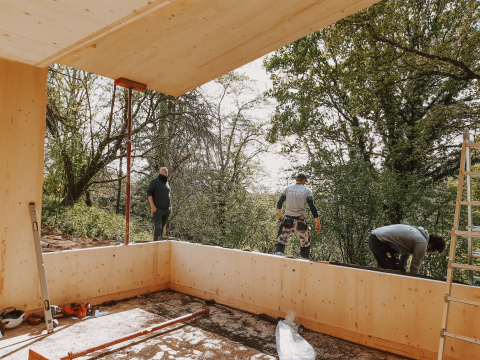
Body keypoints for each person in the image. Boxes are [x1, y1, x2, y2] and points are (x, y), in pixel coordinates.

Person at [275, 173, 321, 260]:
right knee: (305, 245)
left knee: (280, 242)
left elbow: (279, 203)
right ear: (303, 180)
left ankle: (278, 257)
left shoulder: (287, 189)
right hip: (301, 221)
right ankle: (304, 261)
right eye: (305, 181)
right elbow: (312, 207)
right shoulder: (307, 191)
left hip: (287, 219)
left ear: (296, 180)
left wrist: (280, 215)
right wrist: (317, 222)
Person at [368, 224, 445, 274]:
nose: (430, 252)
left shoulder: (417, 237)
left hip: (376, 238)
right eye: (432, 251)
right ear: (431, 245)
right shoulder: (422, 243)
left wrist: (404, 273)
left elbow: (404, 258)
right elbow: (414, 266)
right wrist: (414, 283)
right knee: (395, 272)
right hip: (380, 240)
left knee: (388, 270)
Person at [147, 167, 171, 241]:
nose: (165, 171)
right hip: (158, 209)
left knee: (162, 228)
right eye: (164, 170)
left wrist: (170, 206)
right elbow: (149, 194)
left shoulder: (167, 182)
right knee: (158, 227)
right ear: (160, 172)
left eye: (166, 170)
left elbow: (168, 194)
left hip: (167, 209)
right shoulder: (155, 181)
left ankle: (160, 245)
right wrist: (152, 206)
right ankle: (155, 244)